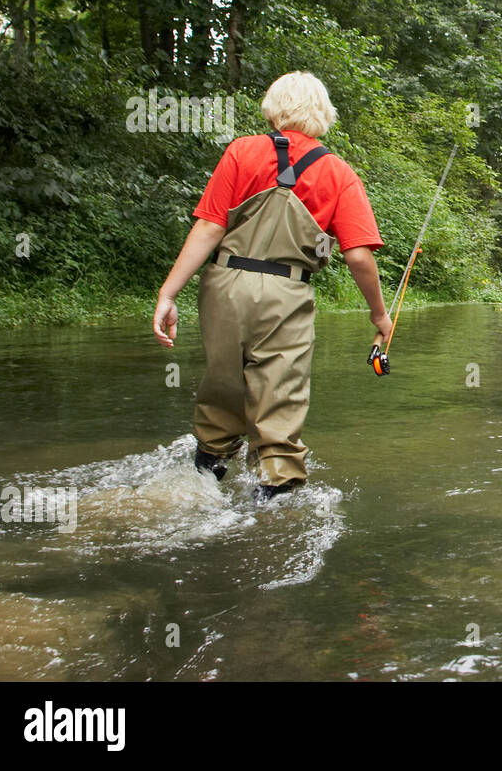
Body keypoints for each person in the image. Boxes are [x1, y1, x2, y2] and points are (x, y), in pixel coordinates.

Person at [153, 71, 392, 501]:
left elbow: (209, 228)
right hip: (285, 292)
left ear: (273, 107)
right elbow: (358, 255)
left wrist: (168, 293)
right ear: (324, 114)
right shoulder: (337, 172)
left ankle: (203, 483)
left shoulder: (242, 151)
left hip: (223, 284)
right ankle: (272, 511)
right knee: (278, 400)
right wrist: (379, 315)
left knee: (222, 387)